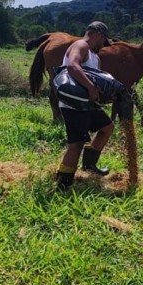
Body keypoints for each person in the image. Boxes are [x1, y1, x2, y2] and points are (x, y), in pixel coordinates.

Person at [55, 21, 115, 189]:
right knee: (76, 144)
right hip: (74, 105)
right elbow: (73, 65)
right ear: (97, 35)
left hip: (88, 103)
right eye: (103, 41)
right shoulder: (81, 45)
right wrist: (90, 87)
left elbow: (97, 77)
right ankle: (63, 183)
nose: (104, 45)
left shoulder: (94, 55)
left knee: (107, 127)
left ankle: (89, 166)